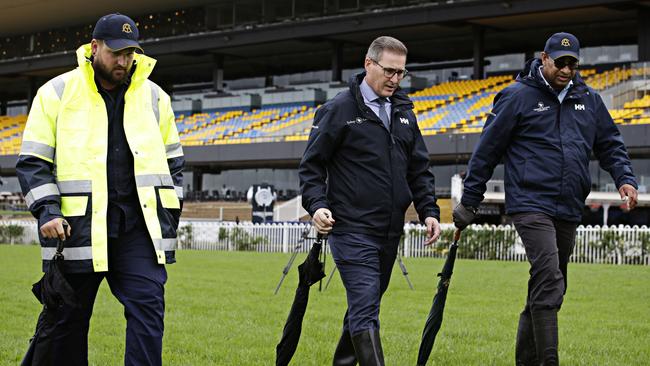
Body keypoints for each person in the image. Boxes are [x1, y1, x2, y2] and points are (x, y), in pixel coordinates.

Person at [453, 32, 638, 365]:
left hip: (568, 204)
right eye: (561, 62)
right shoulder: (516, 97)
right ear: (544, 58)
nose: (567, 70)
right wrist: (470, 201)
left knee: (550, 286)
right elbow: (487, 151)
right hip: (529, 203)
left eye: (573, 64)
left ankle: (527, 361)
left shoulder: (590, 100)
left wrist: (624, 179)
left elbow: (610, 144)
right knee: (549, 276)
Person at [17, 13, 184, 365]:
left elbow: (174, 163)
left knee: (148, 308)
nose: (123, 61)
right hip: (77, 229)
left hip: (137, 230)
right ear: (95, 48)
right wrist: (47, 211)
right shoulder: (56, 93)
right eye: (116, 53)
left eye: (130, 54)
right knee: (66, 321)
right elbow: (33, 161)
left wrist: (169, 212)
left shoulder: (156, 98)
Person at [299, 36, 441, 366]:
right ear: (368, 64)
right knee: (365, 308)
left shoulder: (405, 113)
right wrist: (317, 205)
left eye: (401, 73)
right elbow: (312, 165)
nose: (394, 79)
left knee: (365, 307)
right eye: (389, 71)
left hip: (389, 232)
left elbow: (419, 168)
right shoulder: (338, 110)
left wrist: (429, 210)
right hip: (351, 229)